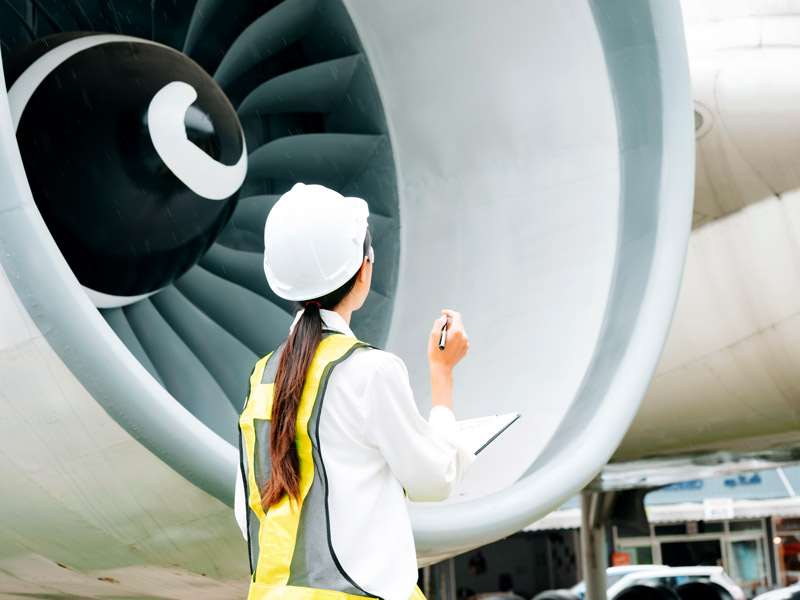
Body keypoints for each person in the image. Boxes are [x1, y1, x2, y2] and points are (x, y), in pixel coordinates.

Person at [235, 183, 475, 600]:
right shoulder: (369, 372)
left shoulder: (263, 377)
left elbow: (248, 512)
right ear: (364, 269)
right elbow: (435, 479)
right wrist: (442, 374)